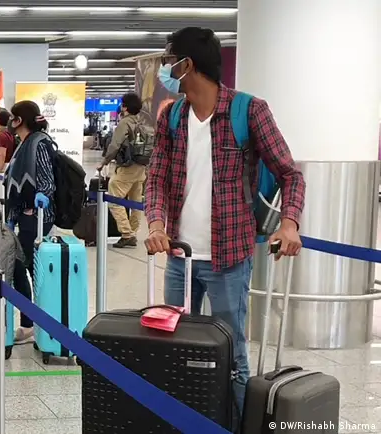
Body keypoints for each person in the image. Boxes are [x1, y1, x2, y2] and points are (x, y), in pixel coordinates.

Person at [145, 26, 306, 418]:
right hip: (180, 258)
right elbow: (157, 177)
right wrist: (155, 224)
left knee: (231, 354)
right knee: (176, 348)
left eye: (169, 61)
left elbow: (290, 174)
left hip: (228, 259)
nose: (166, 70)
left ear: (187, 65)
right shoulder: (172, 116)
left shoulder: (248, 111)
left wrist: (289, 223)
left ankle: (235, 424)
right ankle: (185, 421)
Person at [3, 100, 56, 344]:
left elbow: (46, 180)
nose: (9, 121)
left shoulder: (40, 143)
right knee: (20, 268)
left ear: (20, 120)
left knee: (31, 270)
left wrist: (41, 197)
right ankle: (30, 322)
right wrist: (11, 219)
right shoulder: (23, 144)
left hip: (36, 217)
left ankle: (34, 324)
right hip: (22, 217)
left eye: (13, 117)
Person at [97, 92, 149, 248]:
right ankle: (133, 232)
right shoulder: (142, 123)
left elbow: (115, 145)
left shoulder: (124, 123)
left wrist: (104, 162)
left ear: (125, 107)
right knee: (135, 201)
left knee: (114, 198)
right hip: (141, 167)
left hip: (127, 167)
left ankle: (127, 234)